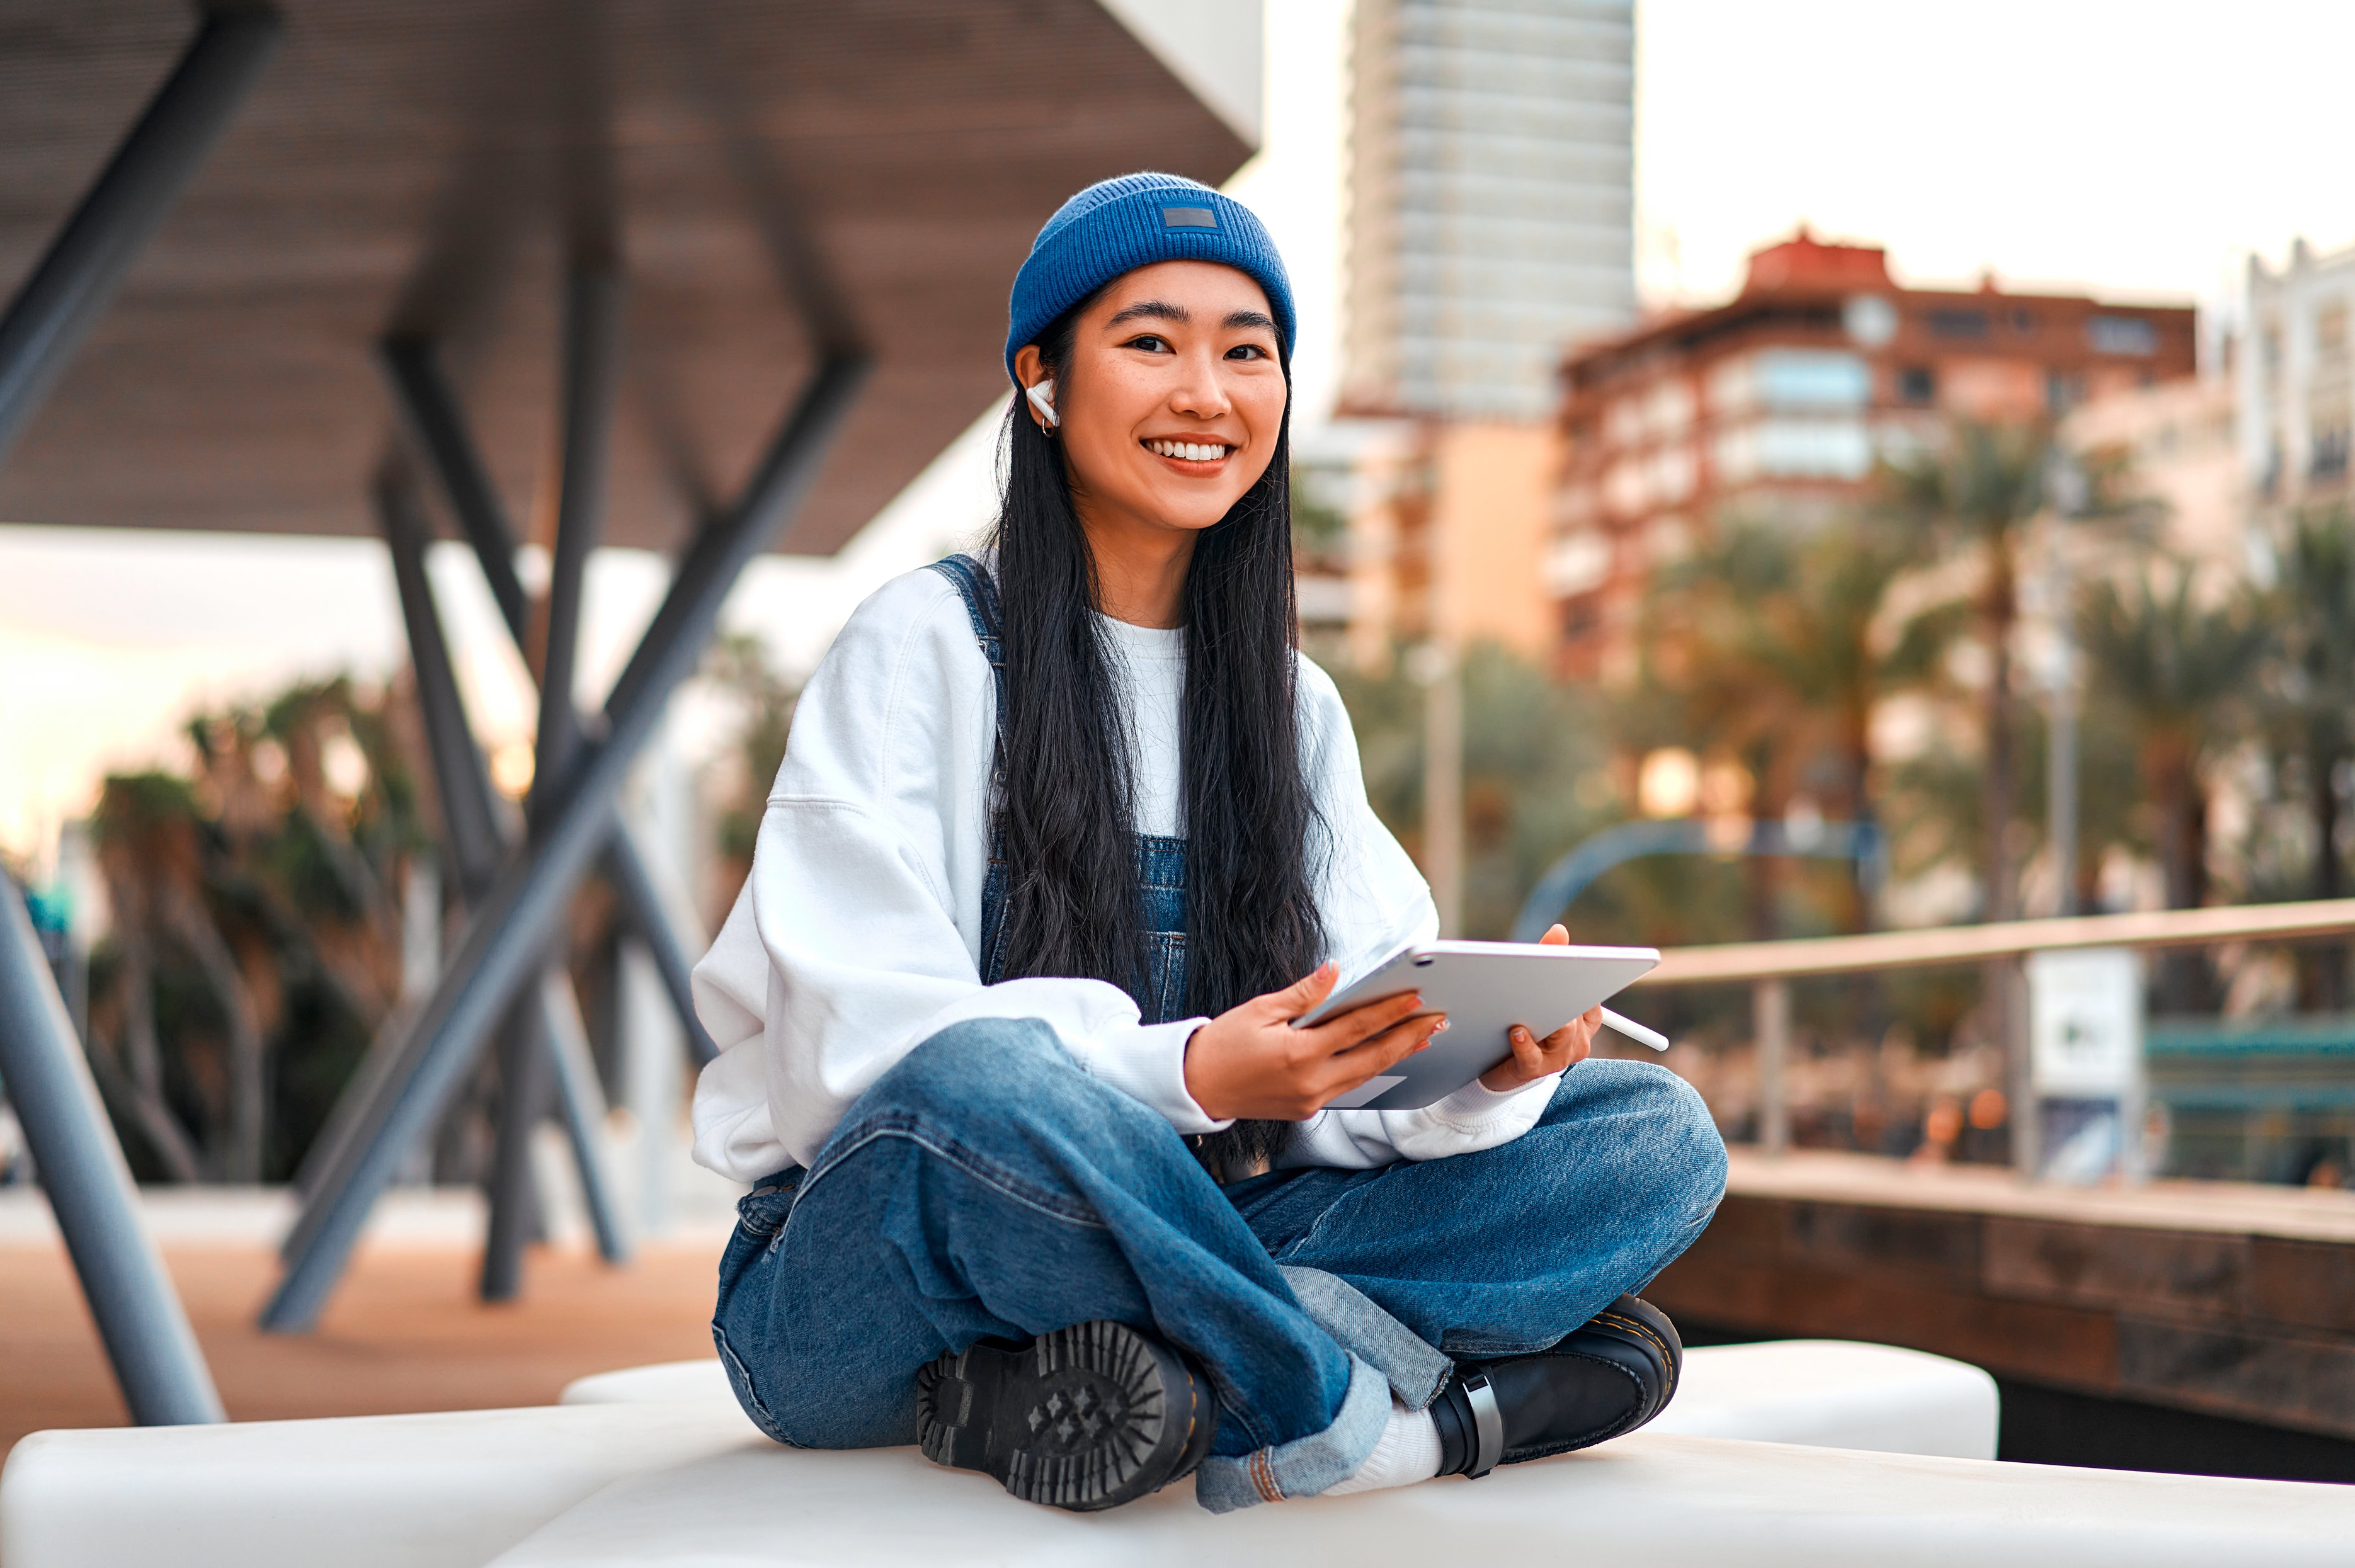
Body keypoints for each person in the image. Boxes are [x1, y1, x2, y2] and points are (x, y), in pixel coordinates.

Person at [691, 172, 1728, 1514]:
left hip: (1177, 1238)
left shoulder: (1289, 708)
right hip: (872, 1276)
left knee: (1650, 1133)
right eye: (1151, 342)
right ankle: (1375, 1416)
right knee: (987, 1076)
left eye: (1248, 352)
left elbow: (1359, 1055)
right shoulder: (926, 645)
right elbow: (866, 1069)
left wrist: (1478, 1068)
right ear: (1043, 380)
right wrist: (1195, 1072)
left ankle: (1104, 1386)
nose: (1207, 392)